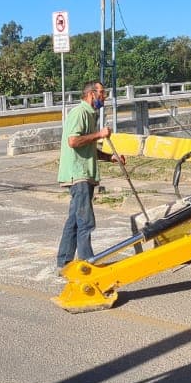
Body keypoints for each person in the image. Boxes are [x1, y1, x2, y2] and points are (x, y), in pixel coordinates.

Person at [56, 81, 120, 272]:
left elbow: (89, 146)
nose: (105, 97)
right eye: (102, 93)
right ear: (91, 94)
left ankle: (64, 262)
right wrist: (99, 134)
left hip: (85, 174)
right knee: (85, 220)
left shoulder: (91, 115)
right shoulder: (80, 113)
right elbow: (73, 141)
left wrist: (110, 158)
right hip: (79, 174)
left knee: (75, 219)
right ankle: (87, 263)